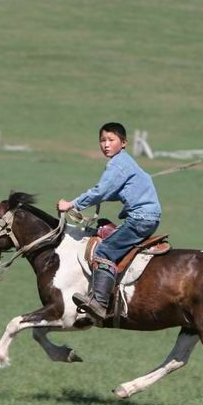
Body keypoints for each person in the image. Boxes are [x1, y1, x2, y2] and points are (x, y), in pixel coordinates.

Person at [57, 122, 162, 320]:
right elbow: (111, 191)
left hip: (140, 219)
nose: (106, 144)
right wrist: (101, 196)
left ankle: (99, 302)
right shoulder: (126, 162)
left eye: (111, 140)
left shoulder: (118, 163)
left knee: (104, 251)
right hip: (147, 217)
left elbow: (102, 191)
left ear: (123, 143)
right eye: (102, 140)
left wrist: (71, 204)